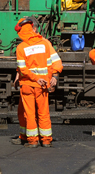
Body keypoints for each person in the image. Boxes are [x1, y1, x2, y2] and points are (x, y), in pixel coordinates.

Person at [15, 17, 62, 147]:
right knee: (44, 113)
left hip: (27, 85)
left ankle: (32, 141)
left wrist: (35, 78)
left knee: (29, 114)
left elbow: (22, 69)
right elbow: (57, 62)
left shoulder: (21, 47)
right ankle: (46, 141)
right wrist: (54, 76)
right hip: (42, 86)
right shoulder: (45, 44)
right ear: (33, 29)